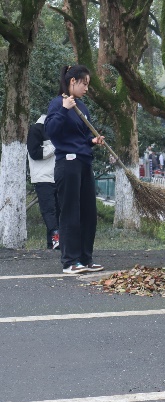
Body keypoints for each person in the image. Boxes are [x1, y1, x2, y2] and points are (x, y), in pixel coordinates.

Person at [45, 64, 105, 275]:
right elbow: (51, 131)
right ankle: (70, 261)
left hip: (84, 162)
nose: (86, 88)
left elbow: (82, 137)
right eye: (84, 83)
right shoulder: (58, 103)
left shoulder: (82, 107)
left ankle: (86, 259)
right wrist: (64, 109)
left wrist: (92, 141)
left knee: (88, 213)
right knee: (70, 212)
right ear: (72, 81)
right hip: (67, 163)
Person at [27, 114, 60, 249]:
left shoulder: (58, 128)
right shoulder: (36, 129)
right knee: (48, 210)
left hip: (58, 176)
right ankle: (56, 238)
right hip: (42, 177)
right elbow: (34, 153)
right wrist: (55, 146)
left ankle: (52, 245)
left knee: (58, 210)